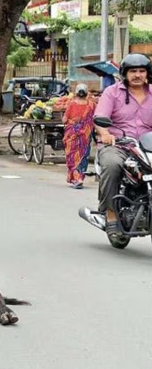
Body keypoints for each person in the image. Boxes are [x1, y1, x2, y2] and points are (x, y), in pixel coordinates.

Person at [93, 53, 152, 243]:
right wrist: (105, 133)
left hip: (148, 147)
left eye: (141, 71)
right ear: (125, 73)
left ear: (147, 73)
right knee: (112, 165)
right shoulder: (112, 92)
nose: (137, 75)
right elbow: (100, 117)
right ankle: (110, 214)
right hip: (118, 145)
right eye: (133, 71)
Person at [62, 83, 96, 189]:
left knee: (72, 156)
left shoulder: (71, 104)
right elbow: (95, 119)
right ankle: (79, 178)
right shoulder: (92, 105)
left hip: (71, 135)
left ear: (76, 93)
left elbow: (64, 119)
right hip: (85, 135)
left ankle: (76, 178)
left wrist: (72, 122)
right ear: (87, 93)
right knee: (83, 155)